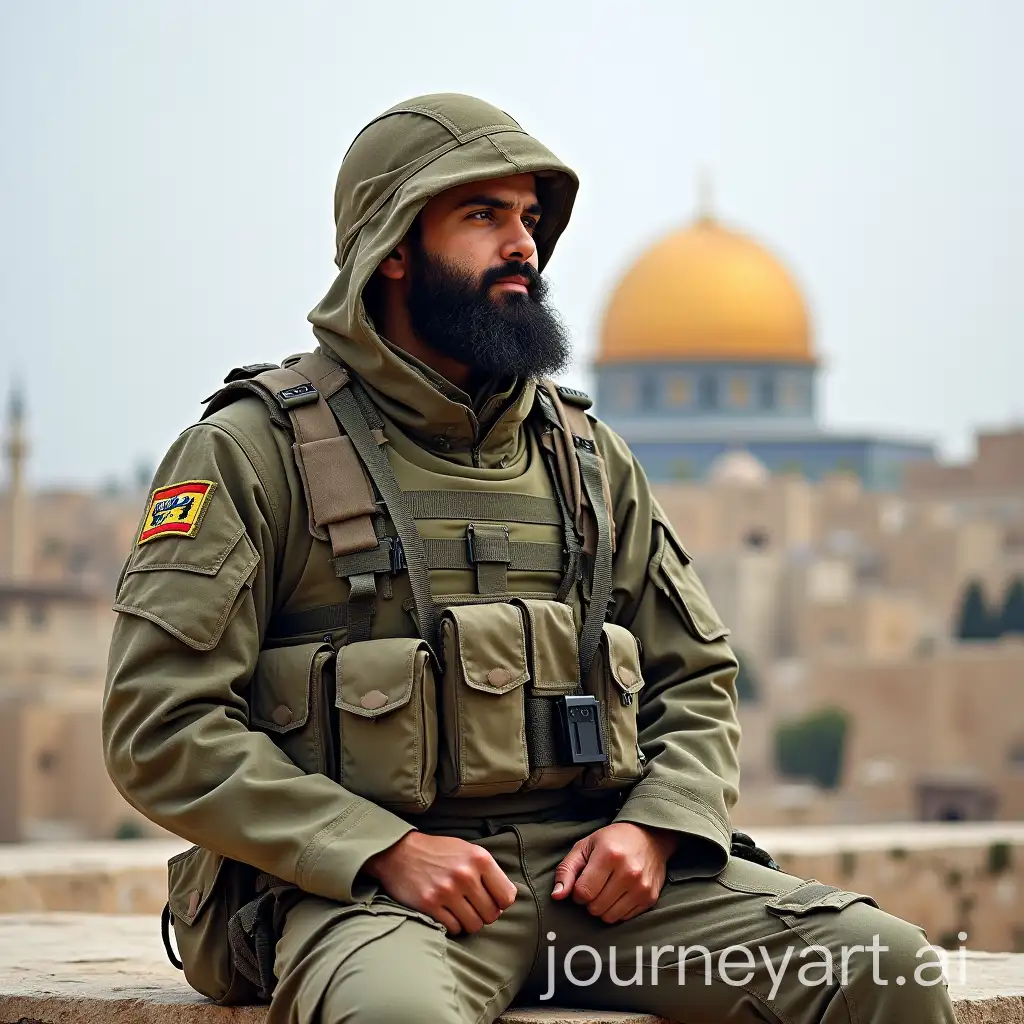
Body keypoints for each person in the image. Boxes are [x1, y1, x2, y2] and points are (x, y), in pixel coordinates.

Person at [102, 93, 956, 1024]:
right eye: (483, 216)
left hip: (600, 890)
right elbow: (162, 725)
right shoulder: (251, 451)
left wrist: (658, 827)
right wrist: (378, 847)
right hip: (379, 896)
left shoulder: (584, 459)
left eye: (529, 218)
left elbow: (696, 674)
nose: (523, 245)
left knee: (888, 969)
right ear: (391, 246)